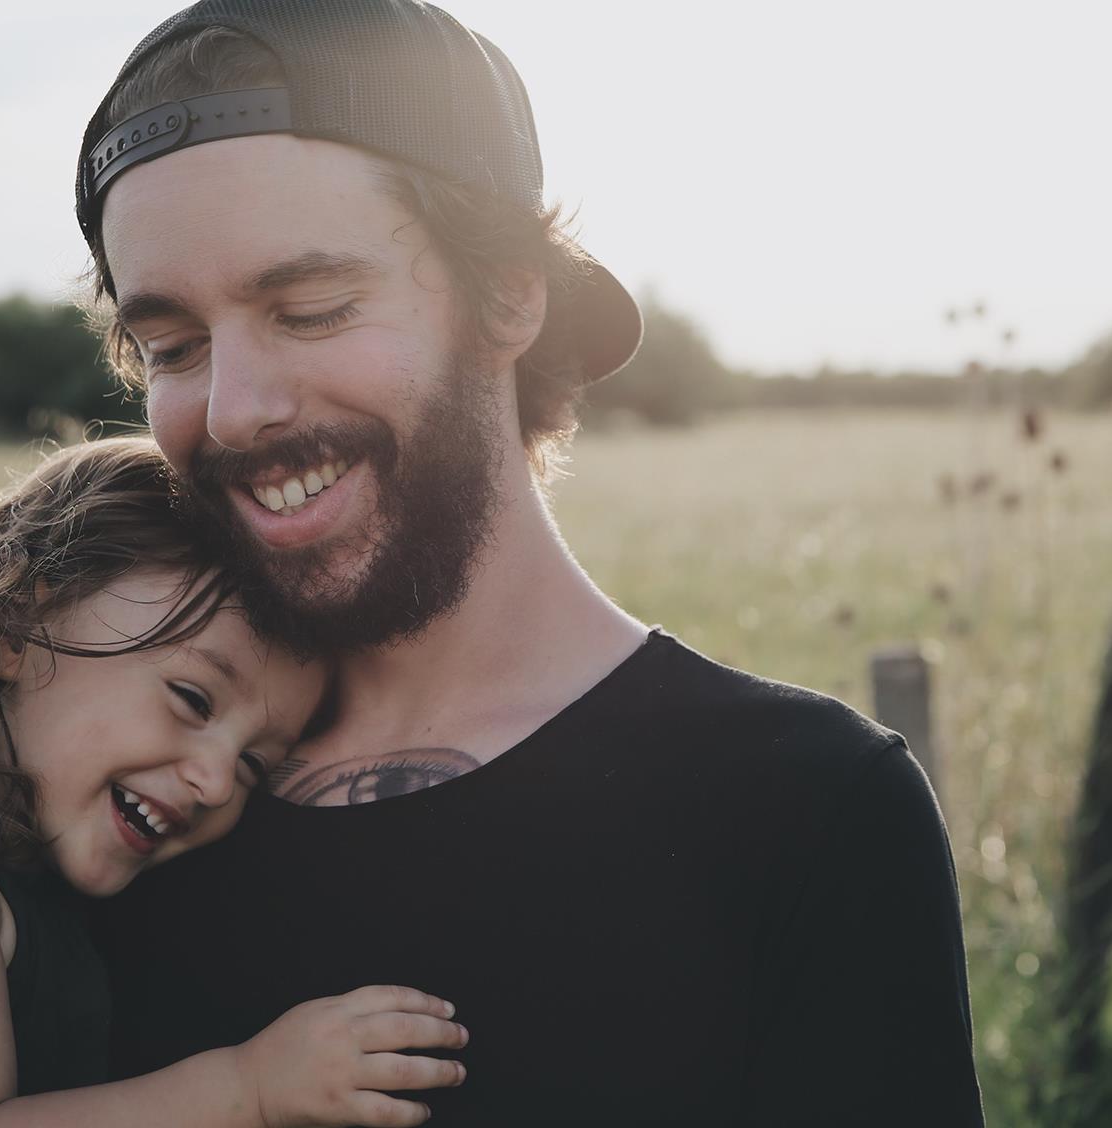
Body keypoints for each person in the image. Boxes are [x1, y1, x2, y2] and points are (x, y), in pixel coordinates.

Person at [78, 4, 987, 1124]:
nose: (234, 410)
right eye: (173, 347)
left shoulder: (803, 809)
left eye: (310, 310)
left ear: (510, 294)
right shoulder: (117, 794)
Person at [0, 437, 469, 1127]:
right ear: (17, 628)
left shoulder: (23, 881)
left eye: (251, 765)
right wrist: (249, 1089)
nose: (212, 781)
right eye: (193, 699)